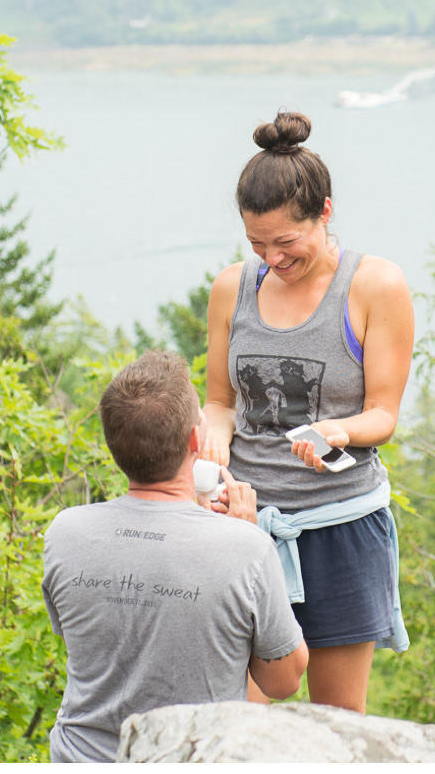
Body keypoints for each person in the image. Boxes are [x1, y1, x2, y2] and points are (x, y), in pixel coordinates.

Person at [203, 110, 415, 714]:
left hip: (339, 528)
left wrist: (337, 430)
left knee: (336, 722)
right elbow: (219, 401)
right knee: (238, 719)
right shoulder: (232, 288)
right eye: (256, 244)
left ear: (325, 211)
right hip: (245, 528)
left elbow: (383, 415)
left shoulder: (375, 286)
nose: (272, 258)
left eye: (286, 242)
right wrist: (214, 439)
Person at [42, 350, 308, 763]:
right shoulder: (246, 548)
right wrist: (242, 534)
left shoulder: (65, 532)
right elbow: (283, 680)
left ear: (114, 443)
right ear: (194, 441)